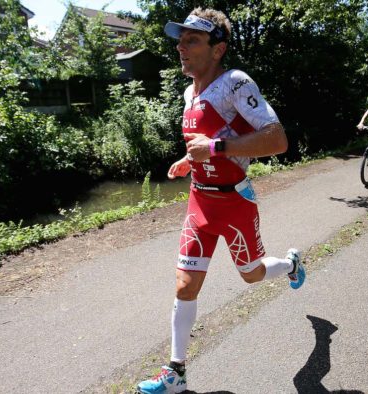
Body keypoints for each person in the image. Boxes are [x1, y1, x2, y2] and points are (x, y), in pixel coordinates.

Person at [136, 8, 306, 394]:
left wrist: (214, 148)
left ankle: (292, 264)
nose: (181, 46)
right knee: (184, 286)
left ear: (218, 49)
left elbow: (277, 139)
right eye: (180, 39)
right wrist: (187, 159)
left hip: (234, 203)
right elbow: (203, 144)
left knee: (252, 275)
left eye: (191, 40)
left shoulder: (235, 83)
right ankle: (175, 372)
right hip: (200, 202)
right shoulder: (188, 92)